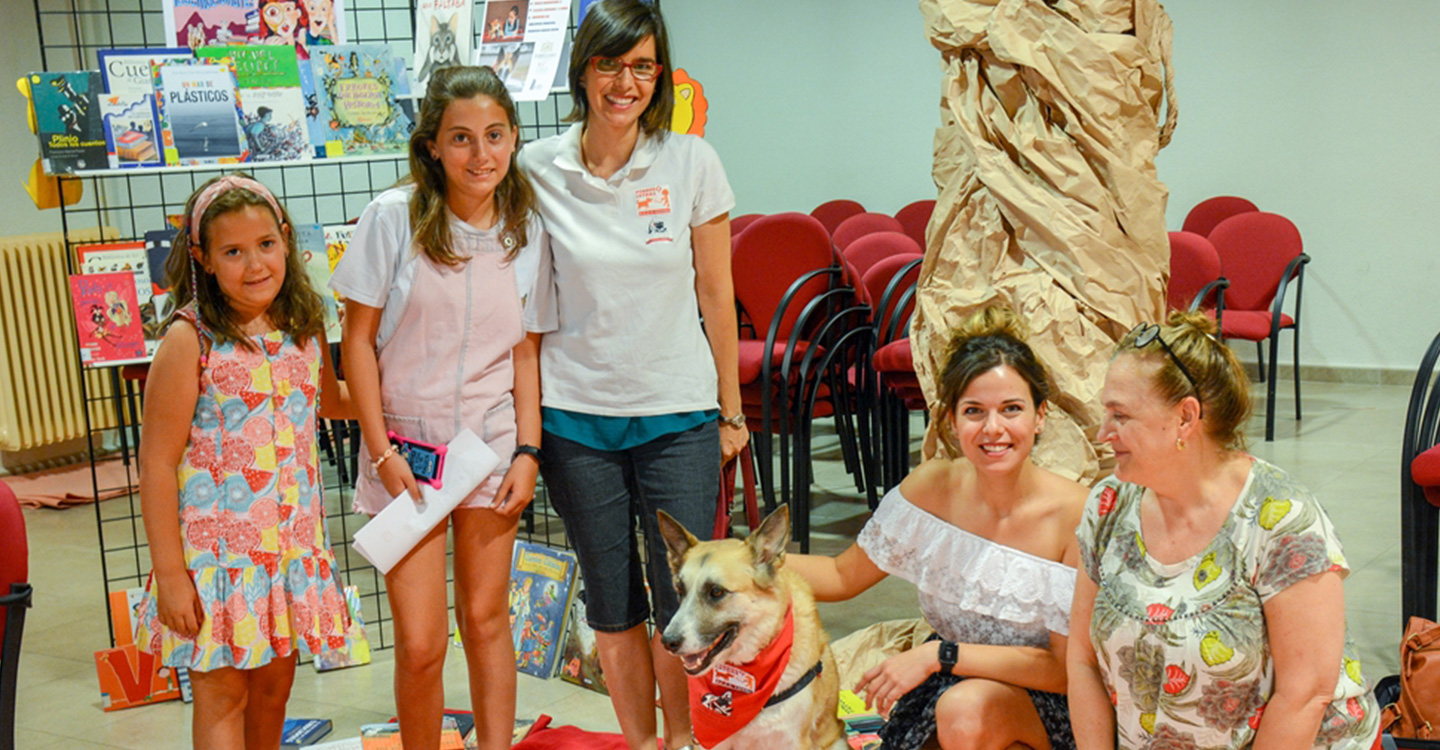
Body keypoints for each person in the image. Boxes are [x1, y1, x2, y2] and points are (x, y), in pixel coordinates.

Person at [515, 2, 742, 748]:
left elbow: (716, 294)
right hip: (576, 419)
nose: (626, 82)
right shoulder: (538, 169)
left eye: (643, 66)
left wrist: (731, 414)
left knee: (683, 600)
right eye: (610, 64)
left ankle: (683, 742)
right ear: (582, 69)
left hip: (679, 415)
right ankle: (642, 744)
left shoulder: (690, 162)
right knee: (612, 600)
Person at [330, 66, 551, 750]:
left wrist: (528, 451)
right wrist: (381, 451)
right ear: (431, 145)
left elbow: (525, 352)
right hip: (407, 460)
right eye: (460, 138)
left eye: (493, 135)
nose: (479, 155)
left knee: (487, 623)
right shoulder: (391, 219)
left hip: (491, 451)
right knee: (422, 644)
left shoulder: (527, 228)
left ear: (514, 138)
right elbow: (358, 344)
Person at [1068, 311, 1381, 750]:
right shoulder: (1108, 504)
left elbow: (1305, 695)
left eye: (1121, 416)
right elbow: (1081, 660)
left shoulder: (1280, 518)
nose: (1103, 433)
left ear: (1185, 418)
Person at [788, 305, 1086, 750]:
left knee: (964, 710)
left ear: (1040, 415)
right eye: (974, 411)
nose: (993, 429)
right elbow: (841, 576)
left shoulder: (1077, 514)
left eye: (1011, 409)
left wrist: (938, 655)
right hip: (946, 684)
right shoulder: (931, 488)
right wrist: (726, 559)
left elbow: (1064, 670)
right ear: (950, 419)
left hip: (1047, 703)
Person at [134, 173, 353, 749]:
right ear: (203, 258)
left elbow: (329, 400)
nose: (254, 264)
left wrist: (412, 398)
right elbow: (156, 465)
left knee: (274, 691)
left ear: (285, 239)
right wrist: (173, 577)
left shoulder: (304, 328)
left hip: (289, 551)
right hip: (218, 560)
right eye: (233, 252)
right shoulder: (191, 340)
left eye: (265, 245)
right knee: (223, 695)